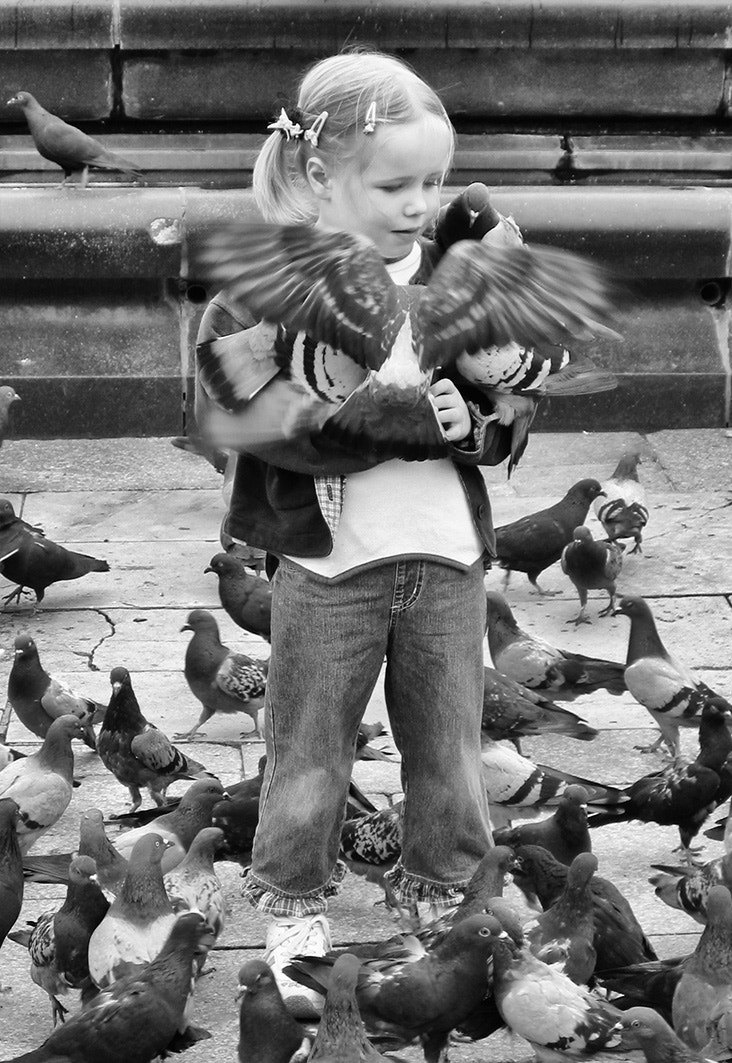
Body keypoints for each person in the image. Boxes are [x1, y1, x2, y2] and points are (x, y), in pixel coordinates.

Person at [195, 49, 514, 1018]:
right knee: (308, 748)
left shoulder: (462, 274)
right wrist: (374, 421)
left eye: (430, 181)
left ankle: (448, 903)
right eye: (392, 184)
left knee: (449, 750)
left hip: (446, 560)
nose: (418, 202)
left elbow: (511, 389)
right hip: (331, 565)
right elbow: (235, 392)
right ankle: (293, 904)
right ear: (325, 178)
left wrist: (484, 420)